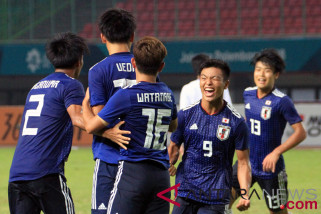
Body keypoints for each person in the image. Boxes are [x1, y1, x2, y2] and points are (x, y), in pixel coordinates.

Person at [83, 36, 178, 214]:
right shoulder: (168, 93)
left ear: (133, 63)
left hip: (133, 172)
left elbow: (90, 127)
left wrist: (85, 104)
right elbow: (173, 126)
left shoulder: (126, 96)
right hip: (161, 175)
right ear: (161, 67)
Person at [8, 32, 89, 214]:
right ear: (79, 61)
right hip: (46, 173)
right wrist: (108, 130)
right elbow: (78, 119)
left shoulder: (36, 87)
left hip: (17, 176)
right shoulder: (70, 84)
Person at [168, 59, 251, 214]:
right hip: (185, 192)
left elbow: (243, 163)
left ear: (226, 84)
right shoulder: (186, 115)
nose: (208, 83)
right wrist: (168, 163)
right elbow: (173, 148)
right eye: (204, 78)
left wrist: (245, 194)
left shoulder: (237, 122)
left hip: (216, 197)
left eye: (215, 78)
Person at [230, 49, 306, 214]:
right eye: (258, 69)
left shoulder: (282, 101)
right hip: (246, 164)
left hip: (271, 170)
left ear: (276, 74)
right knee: (221, 202)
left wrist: (276, 152)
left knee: (278, 212)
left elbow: (301, 133)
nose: (261, 74)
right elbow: (249, 120)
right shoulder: (248, 93)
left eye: (267, 70)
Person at [87, 8, 136, 214]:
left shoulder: (98, 70)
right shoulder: (143, 65)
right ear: (132, 36)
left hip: (109, 156)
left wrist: (107, 132)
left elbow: (100, 117)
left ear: (103, 36)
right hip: (139, 157)